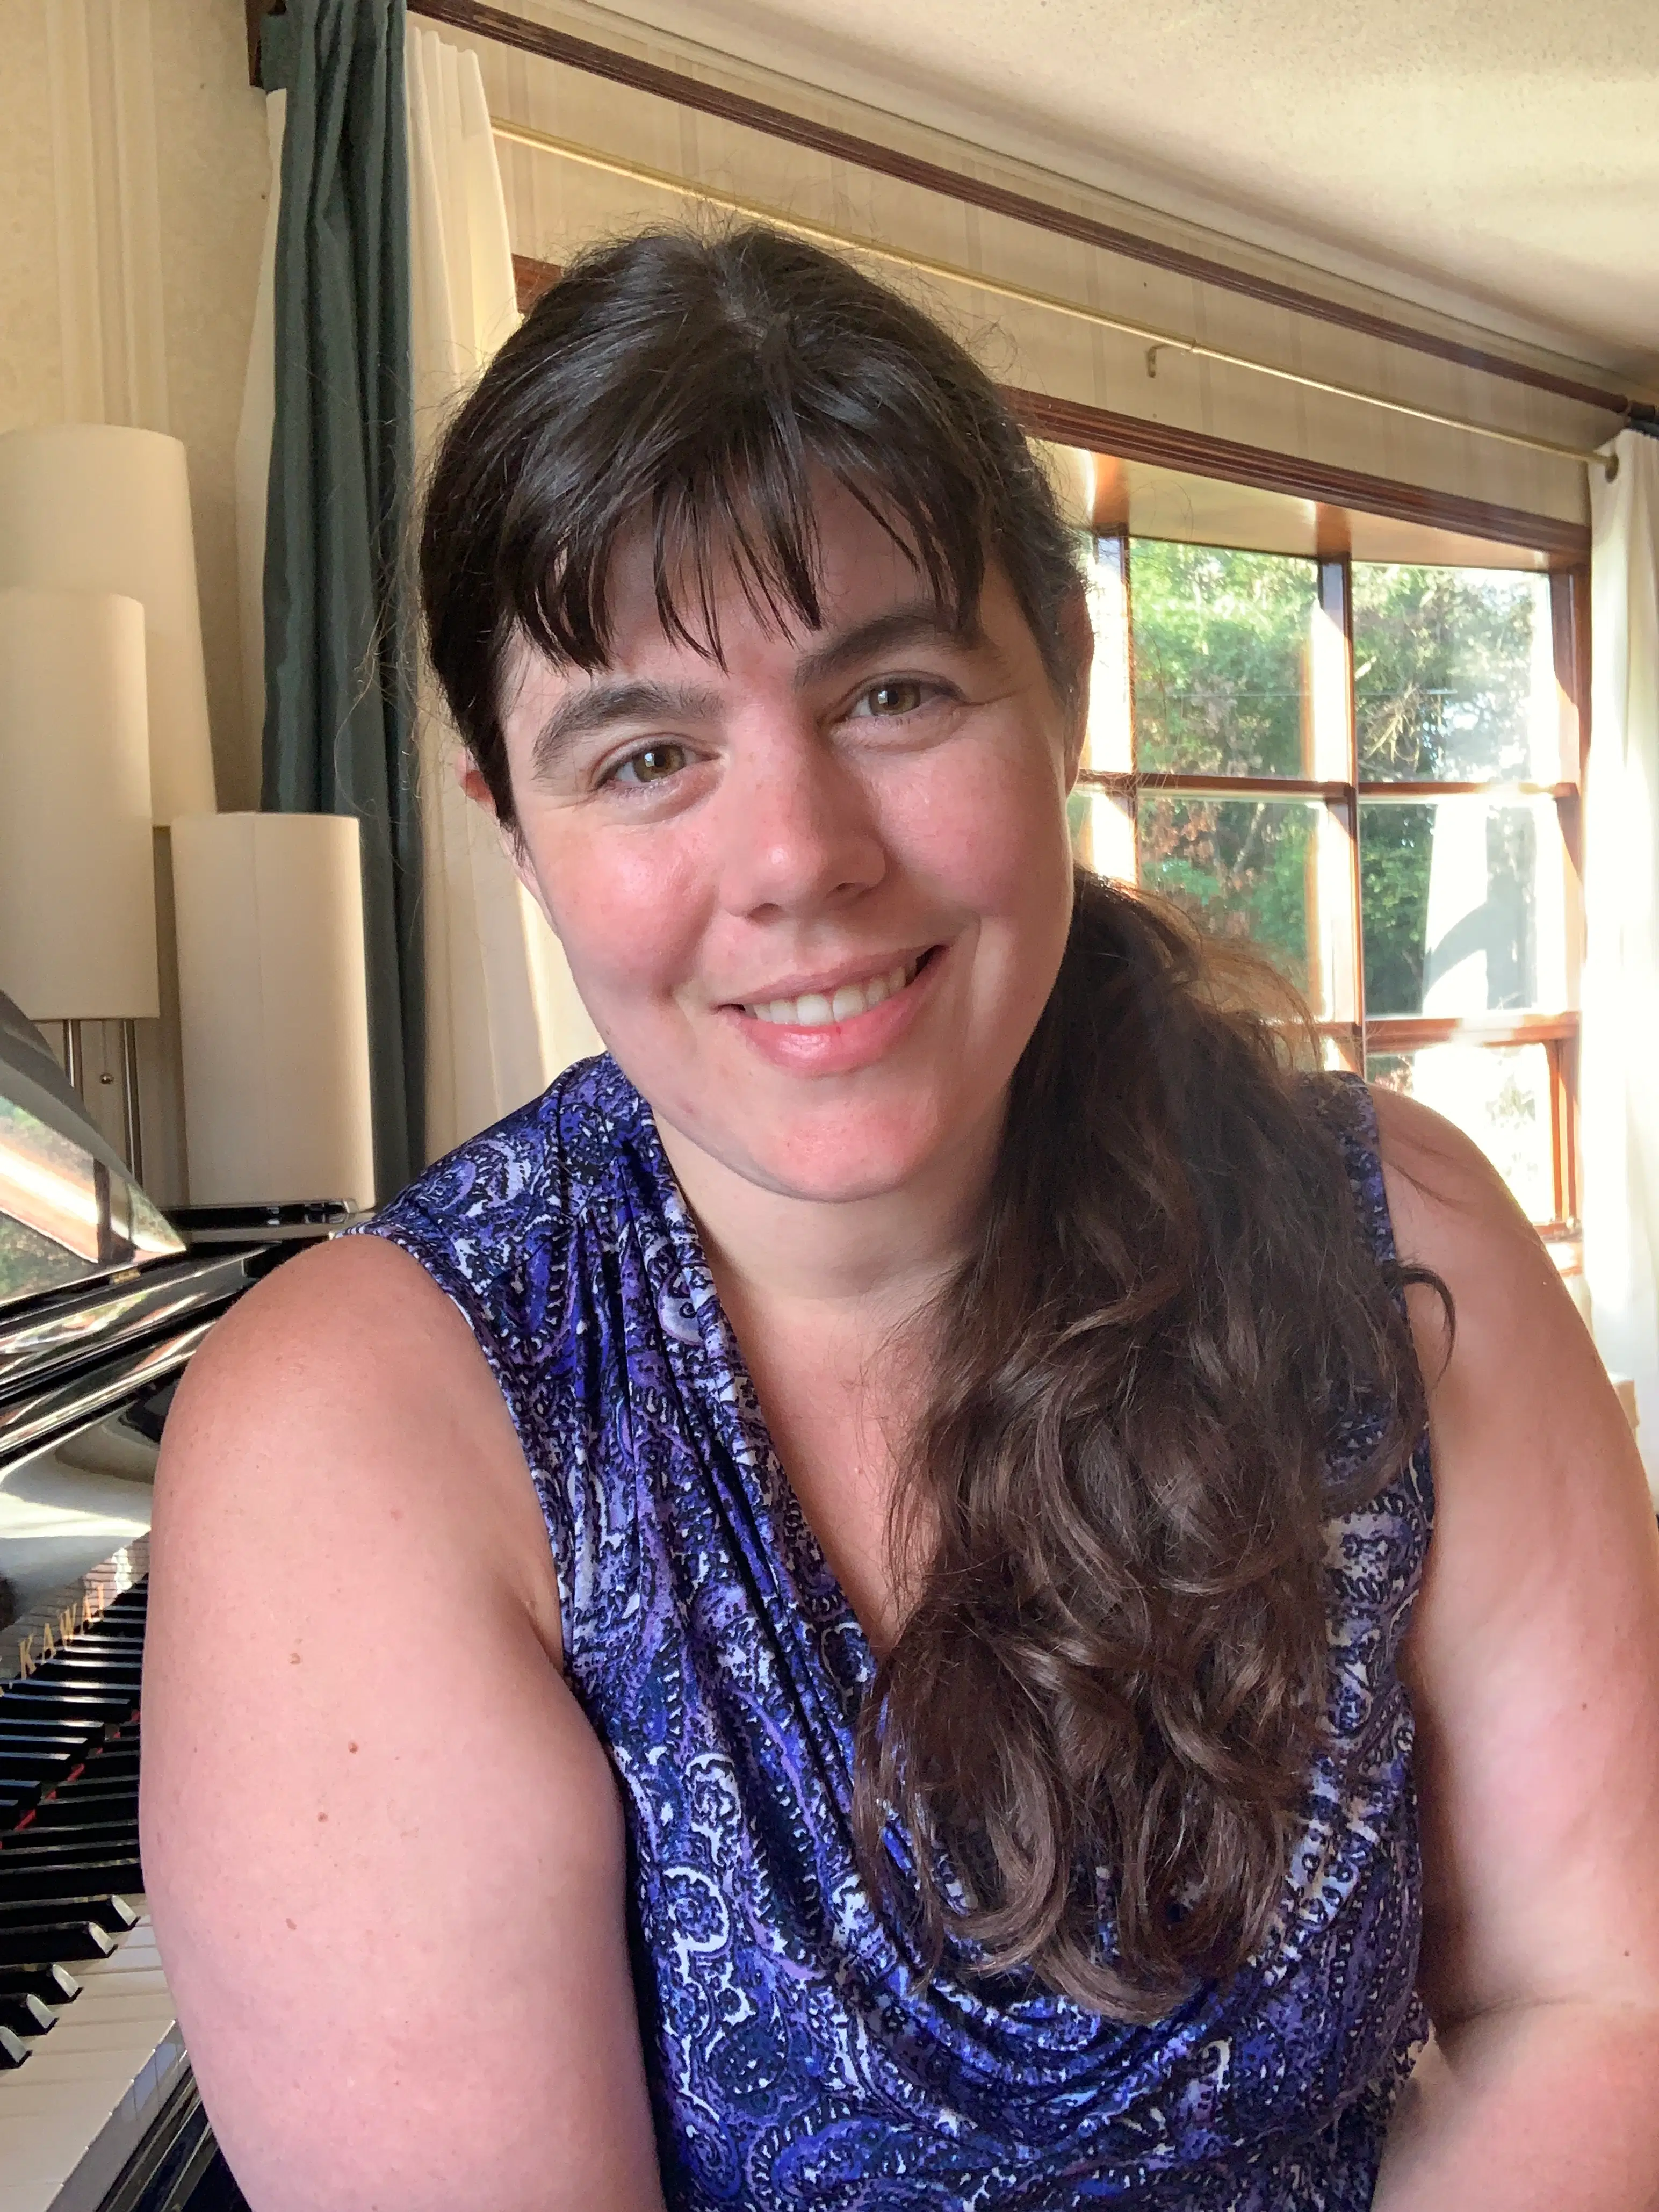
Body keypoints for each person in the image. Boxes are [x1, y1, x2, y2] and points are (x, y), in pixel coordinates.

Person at [142, 226, 1659, 2212]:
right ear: (511, 823)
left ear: (1063, 688)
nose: (799, 857)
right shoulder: (362, 1432)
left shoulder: (1405, 1244)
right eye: (648, 754)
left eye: (893, 692)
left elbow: (1596, 1997)